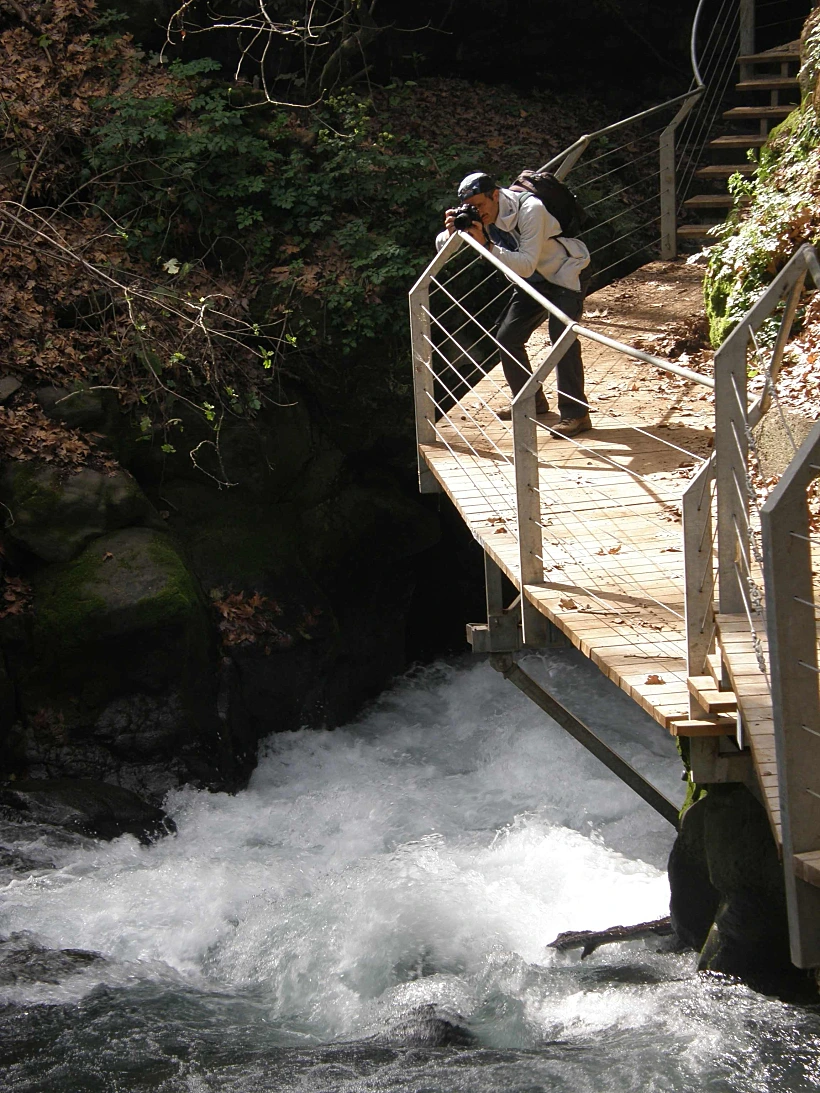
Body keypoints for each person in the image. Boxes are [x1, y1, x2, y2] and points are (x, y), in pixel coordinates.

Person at [436, 171, 592, 438]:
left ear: (494, 195)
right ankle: (531, 401)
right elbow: (443, 249)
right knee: (507, 337)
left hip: (565, 272)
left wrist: (485, 244)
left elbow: (526, 262)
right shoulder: (481, 214)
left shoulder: (531, 209)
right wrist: (453, 231)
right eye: (470, 207)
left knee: (562, 338)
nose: (476, 212)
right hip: (531, 281)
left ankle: (576, 414)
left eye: (480, 205)